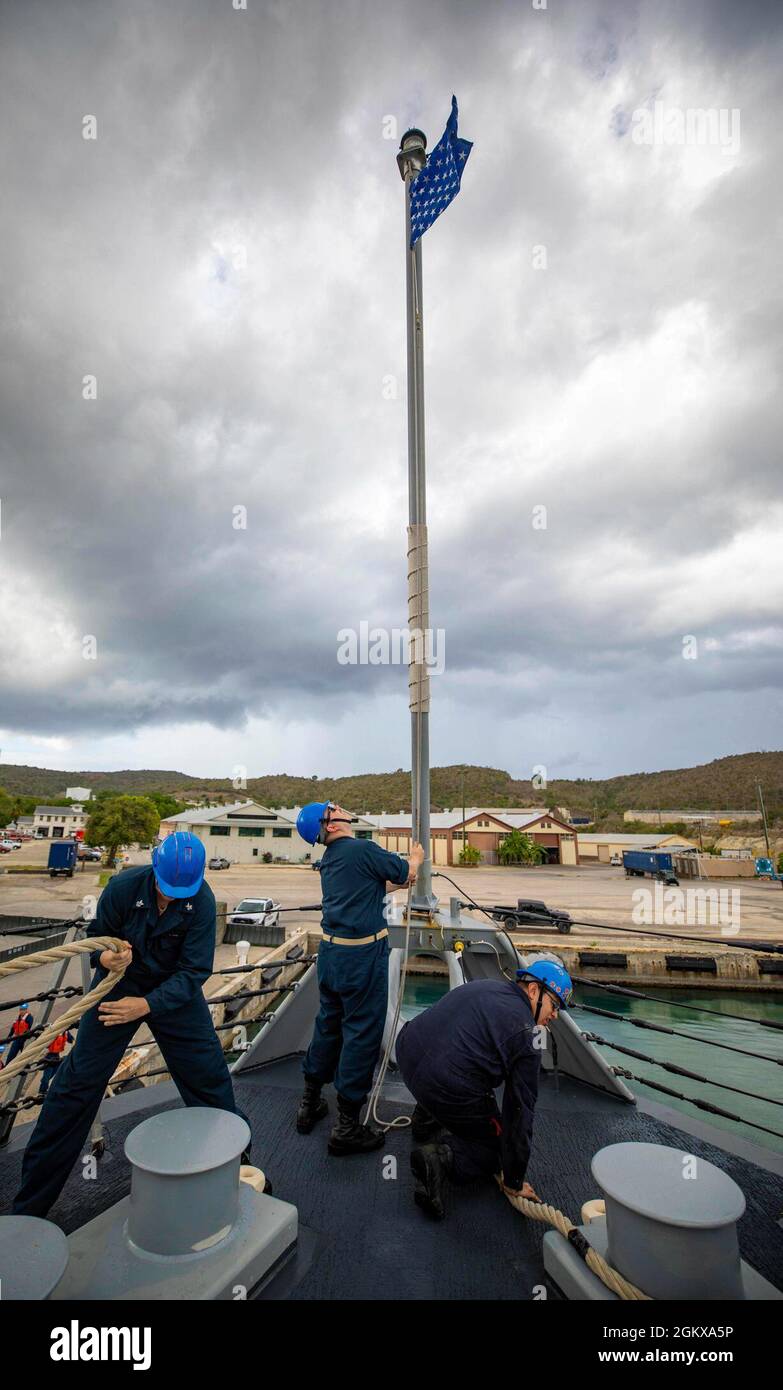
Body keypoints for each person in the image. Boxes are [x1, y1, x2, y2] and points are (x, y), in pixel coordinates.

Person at [12, 831, 252, 1218]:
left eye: (182, 890)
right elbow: (97, 940)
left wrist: (146, 1005)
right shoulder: (123, 887)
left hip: (174, 994)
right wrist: (107, 960)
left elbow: (194, 970)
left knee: (207, 1076)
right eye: (167, 887)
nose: (173, 896)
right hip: (119, 989)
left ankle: (239, 1166)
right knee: (75, 1086)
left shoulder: (202, 901)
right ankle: (29, 1206)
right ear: (154, 867)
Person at [395, 956, 574, 1219]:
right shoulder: (529, 1035)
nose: (555, 1015)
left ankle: (424, 1118)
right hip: (441, 1083)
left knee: (457, 1055)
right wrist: (513, 1179)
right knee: (494, 1145)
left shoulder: (487, 986)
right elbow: (519, 1111)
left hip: (407, 1053)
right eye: (554, 1004)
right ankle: (439, 1159)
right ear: (534, 990)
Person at [295, 801, 425, 1154]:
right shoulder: (362, 849)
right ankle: (347, 1126)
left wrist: (393, 885)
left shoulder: (333, 859)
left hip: (332, 954)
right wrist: (416, 859)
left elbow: (366, 888)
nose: (339, 809)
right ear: (332, 825)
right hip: (361, 956)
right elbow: (404, 873)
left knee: (329, 1023)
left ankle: (310, 1104)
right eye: (333, 809)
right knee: (362, 1032)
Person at [38, 1029, 74, 1096]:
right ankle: (42, 1090)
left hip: (57, 1055)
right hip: (49, 1055)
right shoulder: (54, 1031)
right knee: (47, 1075)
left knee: (55, 1072)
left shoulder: (65, 1032)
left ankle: (43, 1082)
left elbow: (71, 1039)